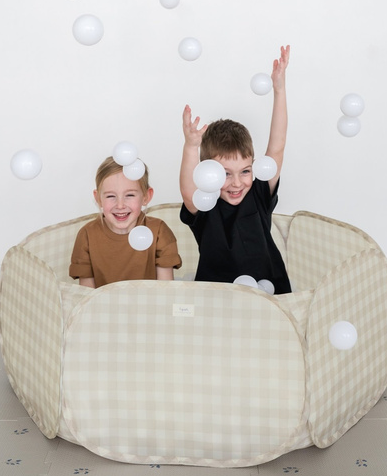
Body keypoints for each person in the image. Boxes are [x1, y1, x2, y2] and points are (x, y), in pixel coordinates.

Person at [179, 45, 291, 294]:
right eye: (225, 174)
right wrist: (191, 146)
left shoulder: (258, 193)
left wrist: (279, 90)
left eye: (245, 171)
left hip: (268, 294)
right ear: (207, 173)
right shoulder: (205, 204)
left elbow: (277, 147)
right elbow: (188, 191)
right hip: (217, 299)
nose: (237, 183)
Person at [70, 156, 182, 288]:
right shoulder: (87, 235)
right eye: (110, 196)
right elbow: (87, 295)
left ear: (146, 196)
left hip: (149, 301)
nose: (120, 205)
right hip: (102, 302)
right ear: (98, 199)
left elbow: (164, 291)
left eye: (130, 195)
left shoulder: (158, 232)